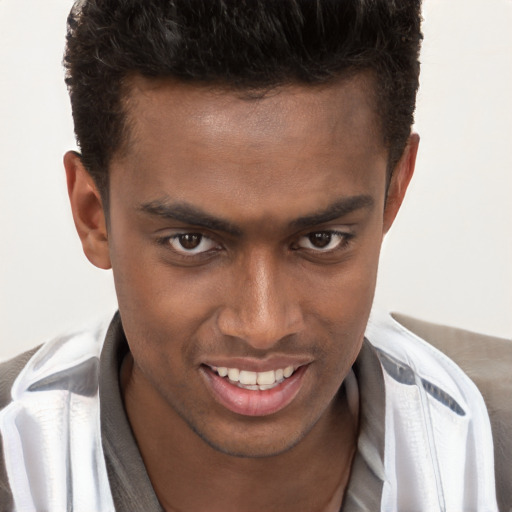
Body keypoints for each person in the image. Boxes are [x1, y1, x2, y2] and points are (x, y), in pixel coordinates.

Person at [0, 1, 499, 511]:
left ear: (394, 193)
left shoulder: (489, 448)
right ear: (93, 215)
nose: (262, 326)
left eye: (322, 239)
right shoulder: (15, 459)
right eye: (190, 241)